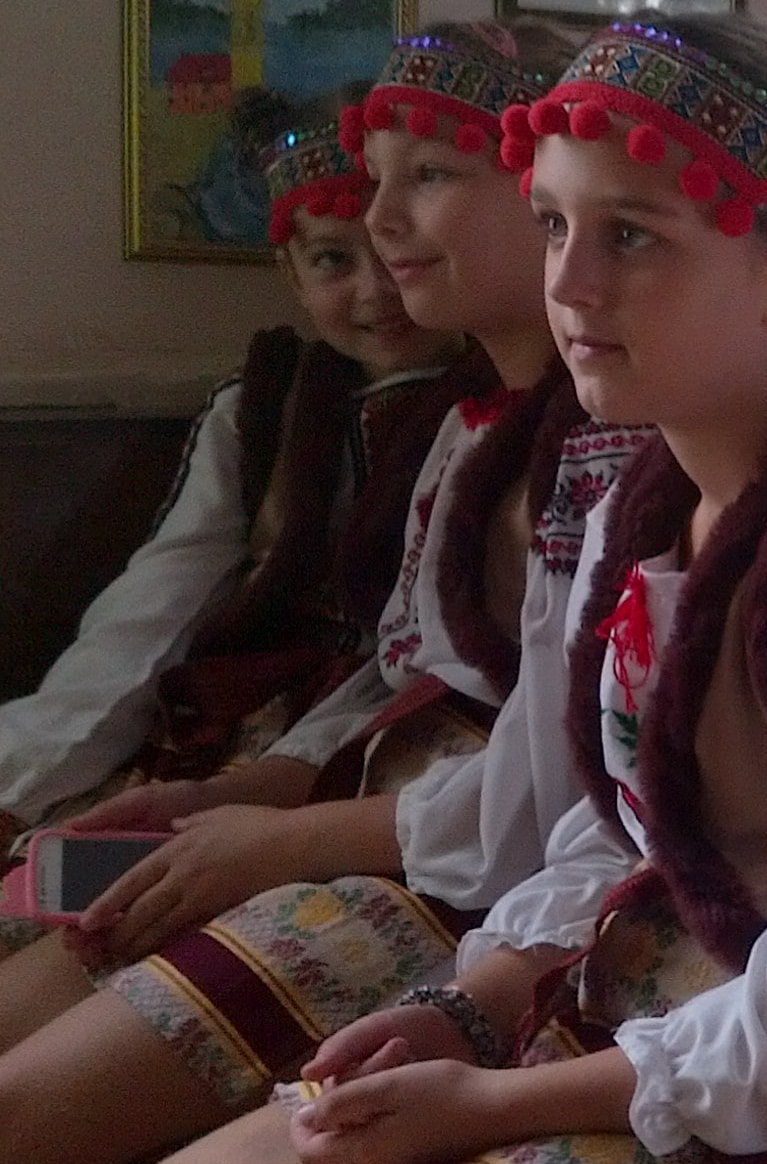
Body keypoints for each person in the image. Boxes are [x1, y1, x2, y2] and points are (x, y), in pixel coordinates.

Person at [0, 11, 767, 1164]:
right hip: (593, 1027)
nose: (573, 284)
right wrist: (471, 1007)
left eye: (633, 237)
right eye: (555, 226)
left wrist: (493, 1104)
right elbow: (611, 829)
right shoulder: (646, 503)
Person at [0, 19, 653, 1164]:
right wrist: (239, 795)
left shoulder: (617, 450)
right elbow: (393, 668)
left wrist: (276, 840)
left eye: (429, 176)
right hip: (374, 804)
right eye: (378, 181)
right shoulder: (468, 426)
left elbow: (553, 797)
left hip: (467, 877)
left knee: (23, 1124)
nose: (385, 218)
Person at [0, 108, 474, 855]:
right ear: (290, 273)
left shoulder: (500, 410)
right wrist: (20, 779)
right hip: (240, 713)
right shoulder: (260, 412)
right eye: (332, 260)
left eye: (398, 250)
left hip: (408, 732)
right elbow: (157, 611)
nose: (377, 290)